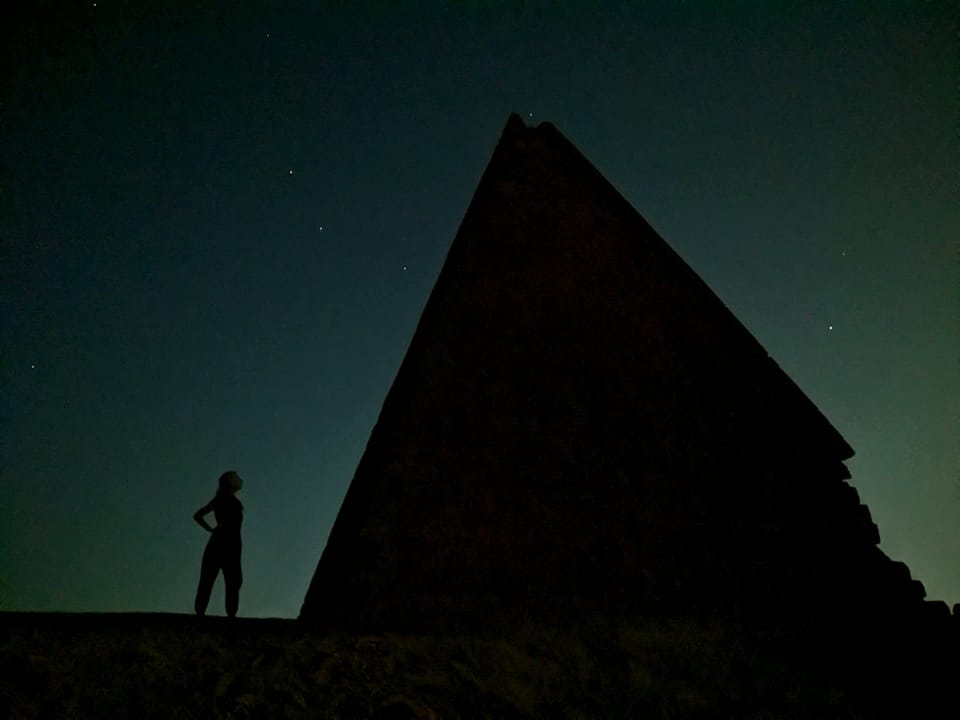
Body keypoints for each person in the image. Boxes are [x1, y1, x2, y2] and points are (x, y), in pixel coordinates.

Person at [193, 470, 244, 617]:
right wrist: (211, 529)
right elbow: (197, 515)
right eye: (236, 478)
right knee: (213, 580)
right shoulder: (222, 499)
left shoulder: (226, 500)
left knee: (231, 581)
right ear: (230, 482)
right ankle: (203, 614)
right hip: (225, 544)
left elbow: (198, 515)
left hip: (228, 544)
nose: (240, 480)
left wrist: (212, 529)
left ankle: (228, 616)